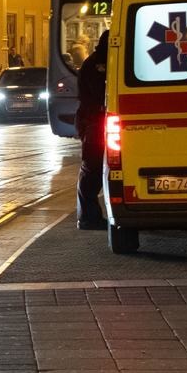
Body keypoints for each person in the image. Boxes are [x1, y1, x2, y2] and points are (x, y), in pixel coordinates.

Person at [74, 29, 110, 230]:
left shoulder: (98, 62)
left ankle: (90, 215)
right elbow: (98, 95)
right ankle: (88, 217)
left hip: (93, 122)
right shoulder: (96, 65)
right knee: (92, 169)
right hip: (93, 123)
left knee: (93, 169)